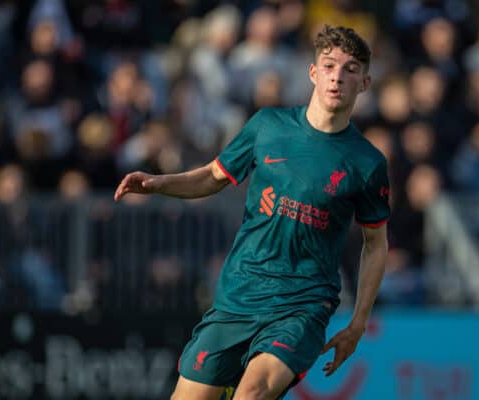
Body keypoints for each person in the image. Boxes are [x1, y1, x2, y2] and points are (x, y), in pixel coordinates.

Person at [114, 24, 390, 400]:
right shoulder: (268, 126)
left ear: (365, 83)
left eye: (350, 69)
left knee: (253, 393)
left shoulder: (367, 163)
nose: (337, 77)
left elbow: (375, 244)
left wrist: (358, 324)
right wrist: (158, 183)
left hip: (302, 304)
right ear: (313, 73)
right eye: (329, 66)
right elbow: (212, 177)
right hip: (239, 295)